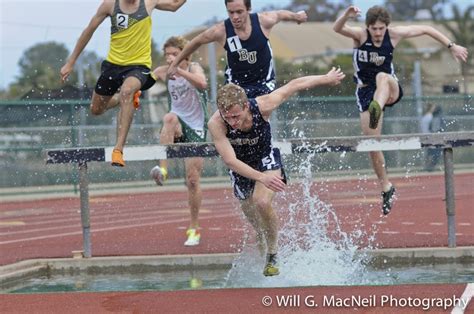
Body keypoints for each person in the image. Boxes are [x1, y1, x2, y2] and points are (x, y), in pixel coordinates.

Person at [208, 67, 345, 276]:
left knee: (261, 201)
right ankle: (262, 235)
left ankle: (273, 253)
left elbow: (294, 85)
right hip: (241, 165)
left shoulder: (263, 105)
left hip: (265, 157)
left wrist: (326, 78)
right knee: (249, 209)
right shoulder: (216, 124)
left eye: (236, 116)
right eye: (228, 117)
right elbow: (230, 161)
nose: (232, 122)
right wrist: (261, 177)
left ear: (246, 106)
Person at [333, 5, 468, 215]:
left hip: (390, 88)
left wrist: (451, 45)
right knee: (372, 145)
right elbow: (337, 28)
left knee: (382, 77)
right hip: (364, 93)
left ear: (387, 26)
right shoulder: (360, 35)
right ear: (368, 27)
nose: (378, 33)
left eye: (381, 29)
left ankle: (377, 106)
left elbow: (426, 29)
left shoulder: (394, 35)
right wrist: (346, 16)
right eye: (374, 29)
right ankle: (386, 186)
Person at [60, 0, 187, 167]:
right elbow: (88, 31)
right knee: (96, 109)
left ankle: (118, 149)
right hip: (113, 66)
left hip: (138, 66)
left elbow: (174, 5)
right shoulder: (110, 5)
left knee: (128, 90)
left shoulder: (149, 2)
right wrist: (71, 61)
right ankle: (123, 97)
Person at [167, 0, 307, 98]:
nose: (235, 17)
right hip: (235, 83)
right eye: (231, 12)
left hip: (264, 81)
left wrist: (297, 16)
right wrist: (175, 64)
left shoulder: (264, 21)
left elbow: (281, 14)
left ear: (248, 9)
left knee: (256, 113)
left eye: (239, 12)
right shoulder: (221, 30)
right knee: (227, 119)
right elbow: (195, 41)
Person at [149, 36, 208, 246]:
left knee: (192, 180)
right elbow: (143, 80)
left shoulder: (193, 67)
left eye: (175, 54)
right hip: (177, 122)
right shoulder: (163, 71)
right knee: (169, 118)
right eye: (167, 55)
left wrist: (180, 70)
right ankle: (163, 169)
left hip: (196, 126)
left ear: (185, 54)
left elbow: (202, 83)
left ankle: (194, 227)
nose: (170, 59)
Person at [421, 104, 444, 171]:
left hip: (426, 136)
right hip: (430, 137)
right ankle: (430, 167)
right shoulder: (430, 117)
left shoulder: (425, 117)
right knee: (433, 153)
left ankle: (428, 166)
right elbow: (434, 128)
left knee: (430, 153)